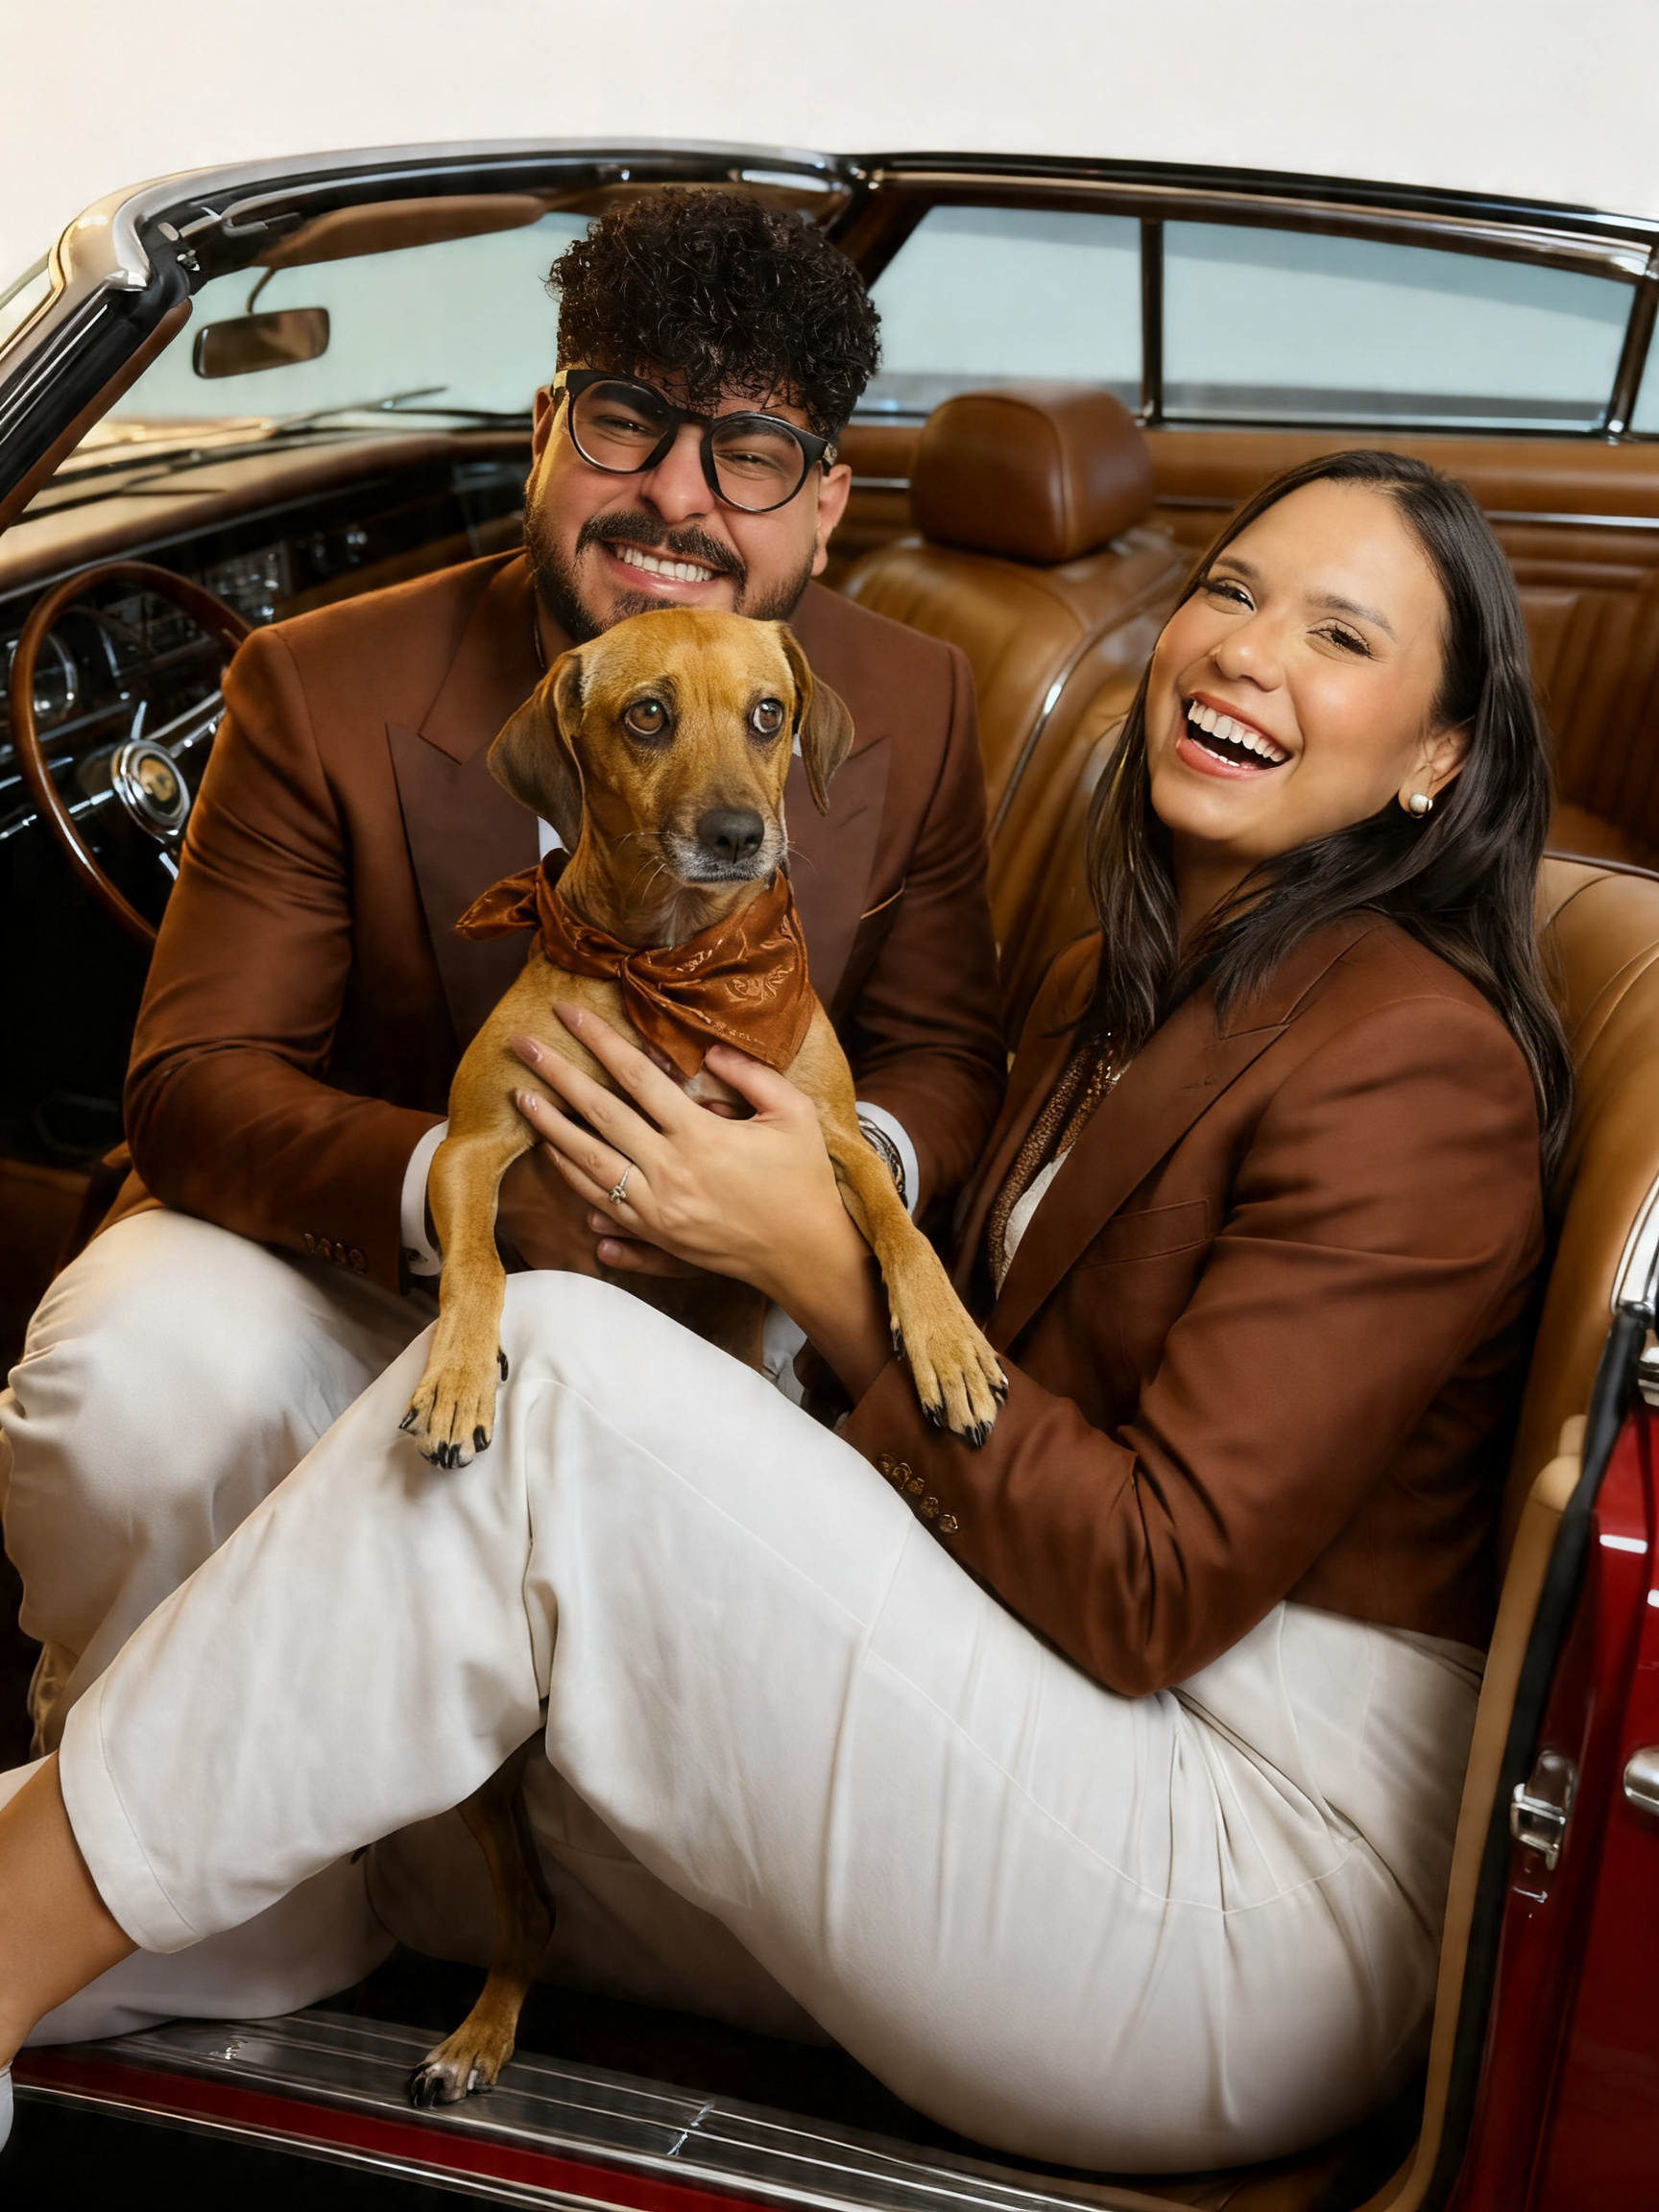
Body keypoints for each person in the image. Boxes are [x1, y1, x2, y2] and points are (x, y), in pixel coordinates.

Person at [0, 449, 1569, 2175]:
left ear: (1441, 758)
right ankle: (131, 1928)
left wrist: (812, 1255)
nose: (1248, 650)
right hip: (1053, 1712)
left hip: (1233, 1873)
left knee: (561, 1380)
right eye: (1231, 590)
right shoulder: (1126, 977)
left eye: (1340, 634)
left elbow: (1149, 1592)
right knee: (338, 1768)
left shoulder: (1418, 1064)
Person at [0, 190, 1004, 1758]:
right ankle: (162, 1843)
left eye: (748, 454)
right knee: (140, 1366)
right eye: (626, 424)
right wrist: (475, 1208)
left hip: (730, 1313)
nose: (676, 497)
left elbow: (949, 1049)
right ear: (545, 432)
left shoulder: (916, 700)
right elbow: (192, 1088)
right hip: (378, 1287)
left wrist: (812, 1190)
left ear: (826, 505)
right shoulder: (319, 684)